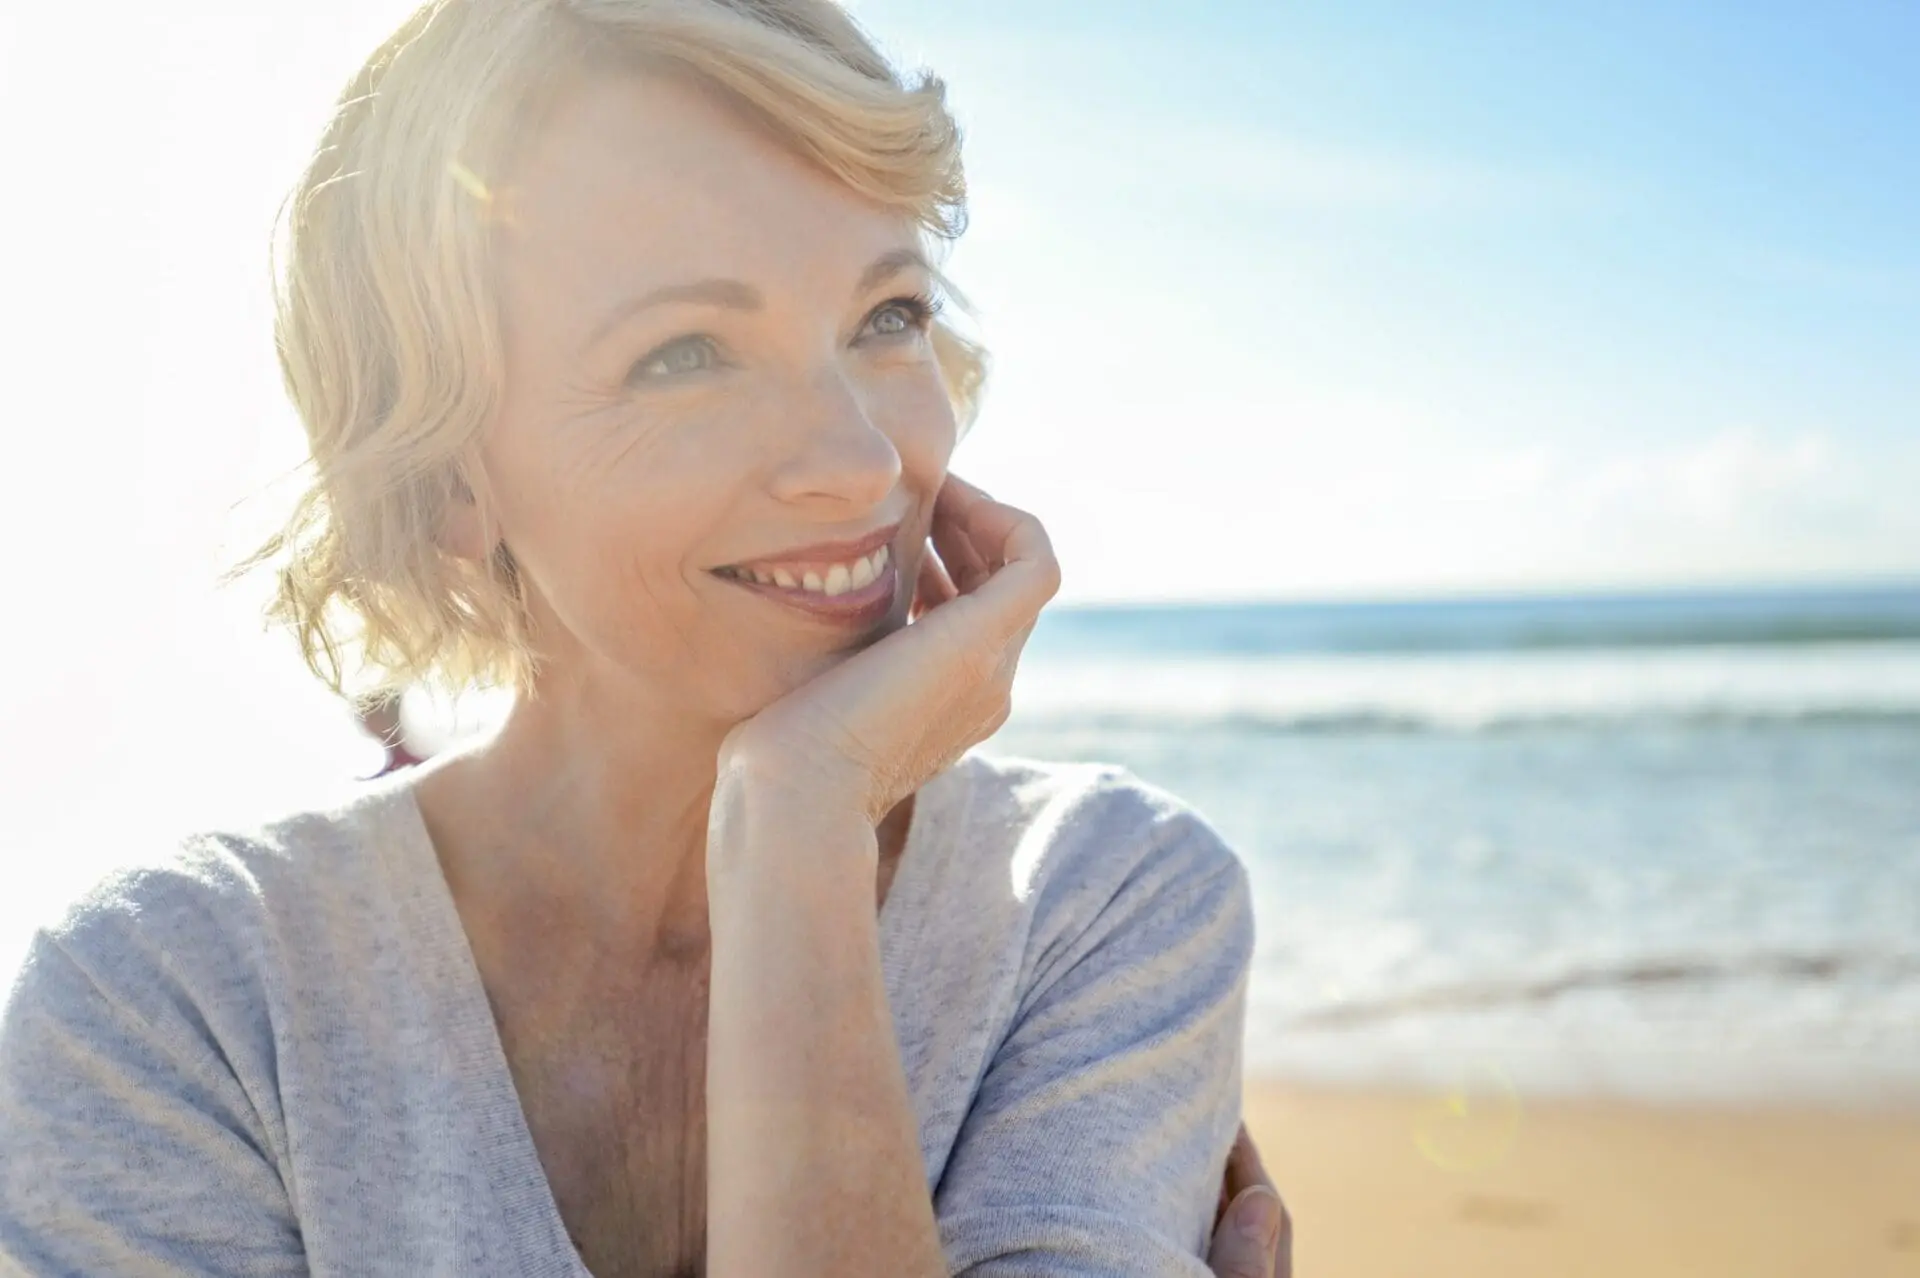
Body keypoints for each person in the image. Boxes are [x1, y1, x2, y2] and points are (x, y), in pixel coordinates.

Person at [0, 2, 1291, 1274]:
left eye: (888, 315)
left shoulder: (1103, 901)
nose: (858, 461)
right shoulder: (176, 1007)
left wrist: (797, 822)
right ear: (451, 477)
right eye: (685, 355)